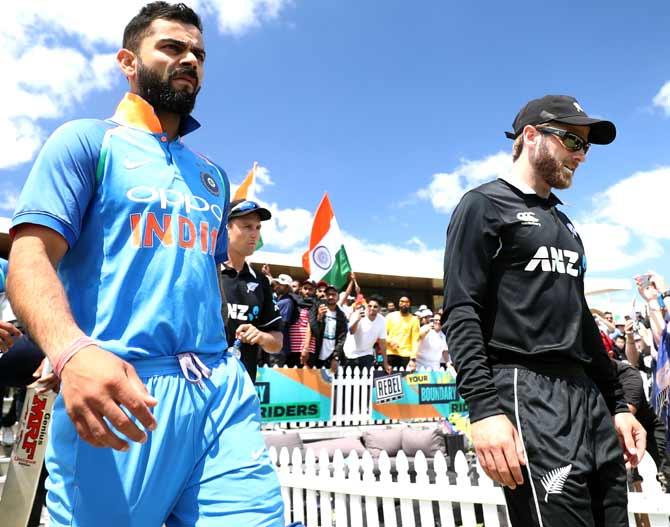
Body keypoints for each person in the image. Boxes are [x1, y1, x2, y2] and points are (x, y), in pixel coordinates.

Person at [6, 3, 291, 526]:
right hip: (122, 391)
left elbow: (196, 281)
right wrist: (69, 349)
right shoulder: (87, 141)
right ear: (128, 61)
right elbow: (30, 258)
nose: (190, 60)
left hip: (218, 387)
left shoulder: (212, 175)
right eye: (173, 48)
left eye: (199, 53)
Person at [443, 95, 645, 526]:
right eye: (572, 139)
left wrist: (618, 406)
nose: (581, 155)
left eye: (586, 146)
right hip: (526, 390)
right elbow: (461, 311)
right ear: (530, 136)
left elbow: (581, 321)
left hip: (586, 395)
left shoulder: (565, 223)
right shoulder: (483, 204)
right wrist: (484, 410)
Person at [220, 199, 283, 381]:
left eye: (258, 227)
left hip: (244, 387)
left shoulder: (261, 281)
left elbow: (277, 342)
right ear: (226, 229)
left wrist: (261, 336)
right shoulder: (207, 273)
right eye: (247, 226)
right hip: (204, 385)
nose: (254, 234)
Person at [343, 295, 390, 372]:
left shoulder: (382, 321)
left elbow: (382, 342)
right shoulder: (357, 314)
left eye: (375, 307)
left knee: (366, 380)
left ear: (379, 309)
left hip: (367, 354)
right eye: (370, 306)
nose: (372, 308)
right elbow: (351, 331)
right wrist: (358, 320)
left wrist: (385, 363)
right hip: (350, 354)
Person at [306, 284, 347, 370]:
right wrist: (319, 318)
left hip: (330, 357)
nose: (331, 297)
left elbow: (341, 338)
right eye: (328, 294)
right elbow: (311, 327)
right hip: (315, 354)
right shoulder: (318, 307)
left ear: (338, 296)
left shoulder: (341, 316)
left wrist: (336, 357)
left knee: (328, 382)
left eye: (333, 294)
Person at [385, 295, 420, 369]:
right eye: (402, 301)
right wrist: (390, 341)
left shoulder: (414, 320)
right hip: (390, 353)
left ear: (409, 304)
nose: (404, 304)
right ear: (398, 303)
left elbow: (415, 340)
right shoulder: (390, 316)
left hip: (406, 355)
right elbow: (382, 334)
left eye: (407, 302)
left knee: (404, 380)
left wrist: (413, 359)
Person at [287, 279, 316, 367]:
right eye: (305, 288)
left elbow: (310, 326)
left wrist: (306, 348)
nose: (307, 291)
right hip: (291, 347)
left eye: (310, 289)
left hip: (306, 348)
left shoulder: (315, 305)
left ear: (314, 291)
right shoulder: (294, 301)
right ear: (301, 289)